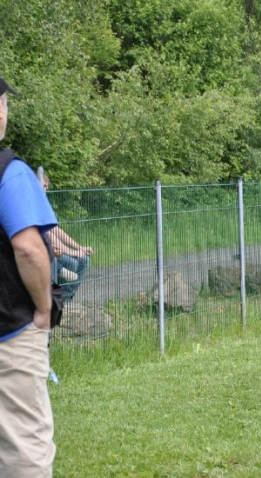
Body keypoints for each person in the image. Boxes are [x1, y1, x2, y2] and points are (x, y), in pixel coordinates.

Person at [0, 75, 58, 476]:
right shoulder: (11, 172)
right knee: (25, 445)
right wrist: (43, 308)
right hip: (11, 333)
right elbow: (28, 247)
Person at [39, 172, 93, 302]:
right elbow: (47, 233)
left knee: (84, 259)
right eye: (42, 186)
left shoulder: (45, 203)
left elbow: (56, 230)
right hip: (43, 250)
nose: (45, 189)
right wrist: (71, 252)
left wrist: (80, 248)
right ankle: (55, 298)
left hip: (53, 247)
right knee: (73, 263)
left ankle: (66, 300)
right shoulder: (31, 203)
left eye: (46, 186)